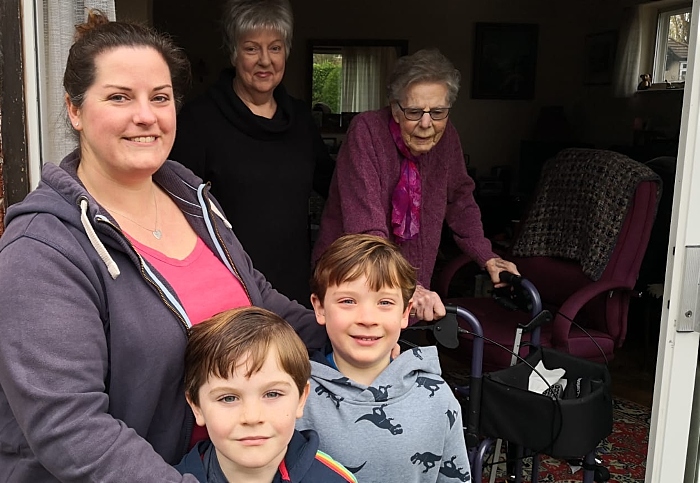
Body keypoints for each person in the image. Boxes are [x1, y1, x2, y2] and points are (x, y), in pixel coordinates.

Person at [0, 11, 326, 483]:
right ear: (74, 109)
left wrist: (350, 333)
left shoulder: (189, 196)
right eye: (119, 97)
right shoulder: (42, 250)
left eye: (160, 97)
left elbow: (258, 299)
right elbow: (69, 427)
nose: (145, 116)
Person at [312, 48, 519, 321]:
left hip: (408, 285)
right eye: (414, 111)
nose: (426, 123)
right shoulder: (367, 132)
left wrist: (488, 257)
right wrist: (407, 287)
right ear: (395, 109)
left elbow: (460, 200)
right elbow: (367, 229)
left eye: (437, 112)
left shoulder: (447, 139)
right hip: (352, 277)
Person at [169, 0, 334, 308]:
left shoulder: (300, 120)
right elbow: (174, 210)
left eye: (275, 48)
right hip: (225, 290)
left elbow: (337, 188)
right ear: (233, 53)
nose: (265, 61)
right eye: (251, 49)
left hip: (294, 288)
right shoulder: (199, 120)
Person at [297, 234, 471, 483]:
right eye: (348, 301)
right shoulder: (293, 397)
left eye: (385, 302)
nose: (368, 318)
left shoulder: (439, 398)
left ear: (405, 313)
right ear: (320, 308)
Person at [176, 306, 357, 482]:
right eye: (228, 398)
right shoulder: (172, 478)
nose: (253, 417)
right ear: (197, 407)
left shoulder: (335, 479)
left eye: (272, 394)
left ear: (301, 398)